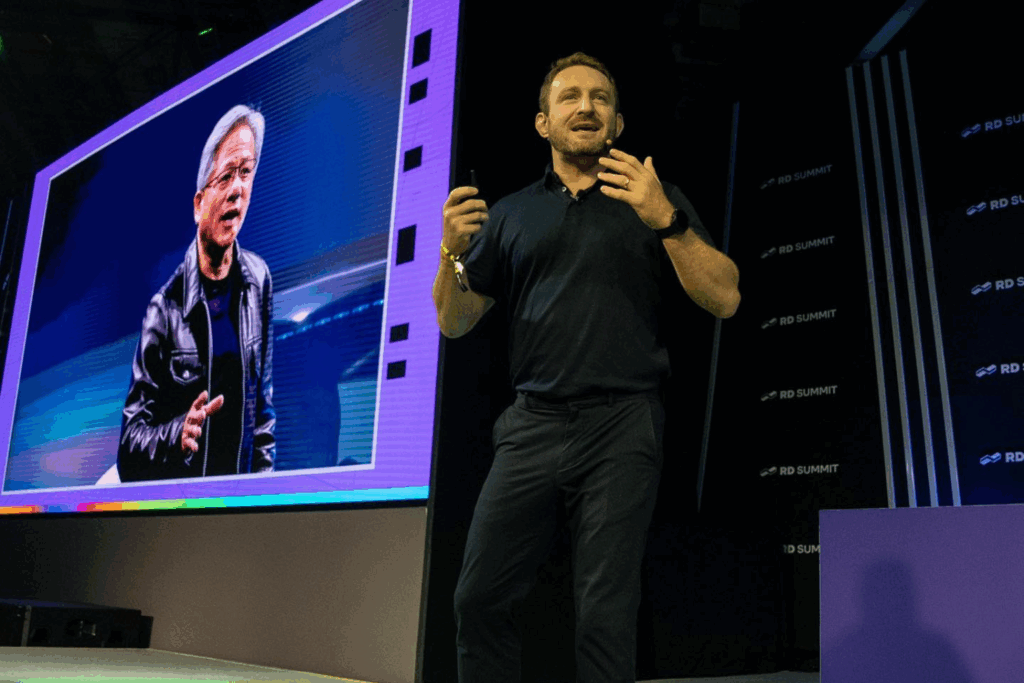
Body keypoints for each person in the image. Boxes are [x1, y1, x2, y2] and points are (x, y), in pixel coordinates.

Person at [434, 53, 741, 683]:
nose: (586, 107)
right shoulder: (514, 213)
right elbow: (454, 321)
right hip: (531, 425)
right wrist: (449, 253)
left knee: (605, 612)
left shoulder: (652, 200)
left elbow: (727, 297)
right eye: (570, 97)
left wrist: (667, 221)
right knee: (478, 597)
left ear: (618, 124)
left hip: (622, 423)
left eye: (600, 98)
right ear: (543, 123)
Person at [118, 104, 275, 482]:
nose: (238, 190)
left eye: (246, 172)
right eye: (225, 177)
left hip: (241, 515)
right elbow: (129, 448)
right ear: (198, 204)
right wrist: (178, 433)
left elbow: (263, 418)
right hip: (183, 517)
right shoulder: (164, 310)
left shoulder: (259, 280)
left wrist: (266, 498)